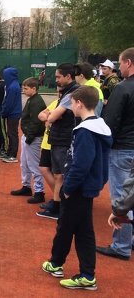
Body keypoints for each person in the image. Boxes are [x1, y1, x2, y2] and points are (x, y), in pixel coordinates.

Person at [41, 86, 111, 291]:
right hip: (88, 187)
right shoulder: (100, 126)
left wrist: (68, 188)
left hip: (78, 188)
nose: (70, 106)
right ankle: (87, 273)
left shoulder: (85, 132)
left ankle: (56, 263)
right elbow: (101, 162)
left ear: (79, 103)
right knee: (83, 231)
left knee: (65, 226)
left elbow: (81, 164)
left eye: (72, 102)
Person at [97, 47, 134, 260]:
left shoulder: (122, 88)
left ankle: (121, 246)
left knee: (122, 196)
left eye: (120, 63)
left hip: (123, 149)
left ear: (128, 63)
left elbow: (111, 122)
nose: (119, 67)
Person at [37, 63, 80, 220]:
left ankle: (62, 207)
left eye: (58, 77)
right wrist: (51, 115)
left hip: (64, 139)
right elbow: (50, 115)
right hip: (58, 138)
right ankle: (57, 204)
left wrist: (50, 116)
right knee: (57, 174)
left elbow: (53, 116)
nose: (56, 80)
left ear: (68, 76)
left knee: (61, 175)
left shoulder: (72, 93)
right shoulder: (66, 92)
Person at [10, 78, 46, 203]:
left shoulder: (36, 102)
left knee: (33, 165)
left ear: (34, 89)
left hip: (33, 138)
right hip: (28, 136)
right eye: (23, 88)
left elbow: (36, 122)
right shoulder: (32, 100)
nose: (23, 90)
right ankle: (26, 186)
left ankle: (39, 191)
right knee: (24, 163)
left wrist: (29, 137)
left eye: (26, 88)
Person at [0, 67, 22, 163]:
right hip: (13, 113)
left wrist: (4, 113)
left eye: (5, 75)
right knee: (11, 133)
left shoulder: (12, 87)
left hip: (13, 114)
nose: (4, 77)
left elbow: (9, 103)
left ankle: (12, 155)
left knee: (12, 134)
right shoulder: (13, 84)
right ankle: (9, 152)